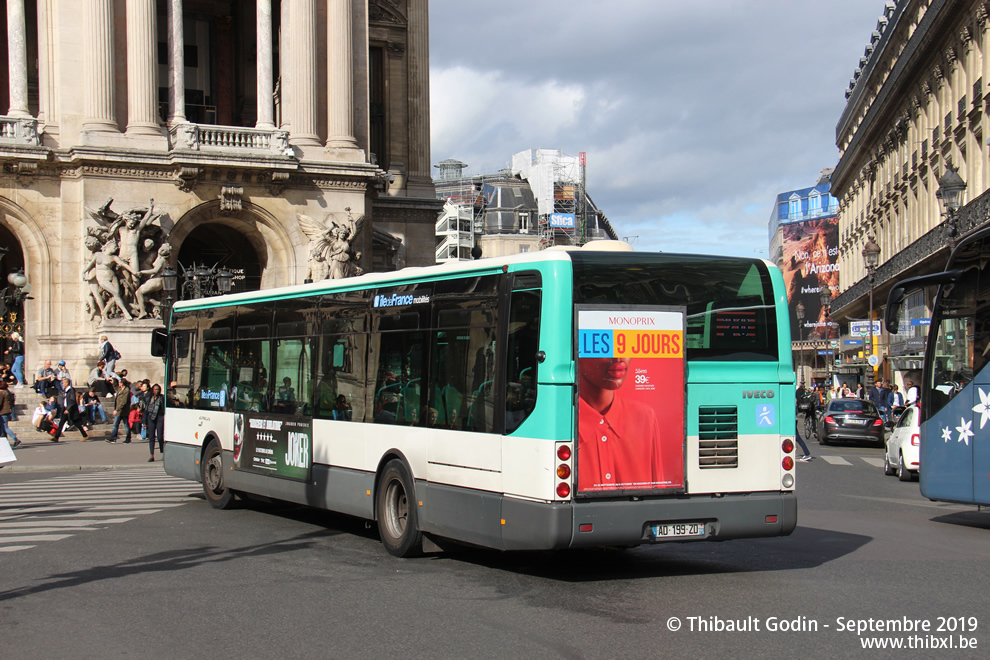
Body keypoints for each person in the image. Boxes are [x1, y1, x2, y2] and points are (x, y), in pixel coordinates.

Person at [576, 356, 681, 492]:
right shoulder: (560, 422)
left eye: (624, 340)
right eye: (604, 342)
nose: (618, 356)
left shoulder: (645, 418)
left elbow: (658, 497)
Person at [51, 378, 88, 442]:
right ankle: (56, 437)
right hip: (65, 408)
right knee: (61, 423)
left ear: (66, 383)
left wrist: (68, 409)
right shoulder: (66, 391)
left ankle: (85, 435)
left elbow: (72, 401)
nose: (62, 384)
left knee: (76, 423)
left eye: (63, 383)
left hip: (71, 410)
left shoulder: (71, 390)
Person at [141, 383, 165, 462]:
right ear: (152, 390)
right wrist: (144, 422)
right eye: (155, 389)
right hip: (151, 418)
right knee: (151, 437)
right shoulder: (148, 398)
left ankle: (162, 452)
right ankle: (152, 455)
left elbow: (164, 408)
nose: (156, 391)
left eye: (158, 389)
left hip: (160, 417)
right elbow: (145, 411)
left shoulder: (162, 398)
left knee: (160, 437)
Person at [108, 378, 133, 443]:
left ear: (122, 383)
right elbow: (116, 388)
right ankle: (113, 437)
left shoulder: (126, 390)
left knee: (125, 425)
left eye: (119, 382)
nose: (118, 383)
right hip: (119, 410)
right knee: (116, 424)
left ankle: (128, 438)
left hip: (123, 410)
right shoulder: (120, 389)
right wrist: (113, 383)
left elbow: (123, 402)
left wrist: (117, 409)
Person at [0, 382, 20, 448]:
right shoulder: (8, 392)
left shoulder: (1, 393)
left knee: (5, 427)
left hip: (2, 412)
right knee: (3, 427)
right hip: (7, 411)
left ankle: (16, 440)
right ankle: (4, 441)